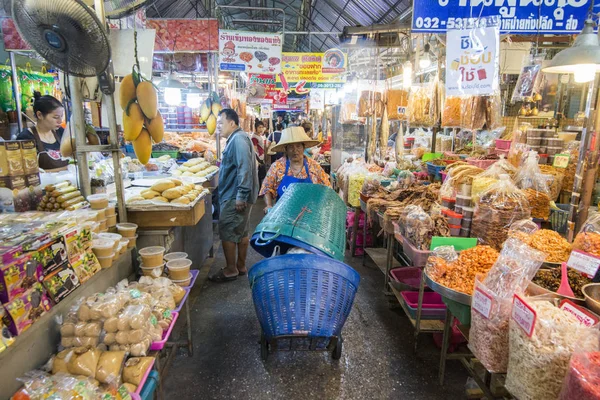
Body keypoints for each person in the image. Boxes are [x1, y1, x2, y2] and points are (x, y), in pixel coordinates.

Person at [210, 109, 258, 283]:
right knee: (241, 231)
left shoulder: (238, 140)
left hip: (234, 195)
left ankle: (231, 269)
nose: (218, 127)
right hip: (236, 194)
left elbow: (244, 168)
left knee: (229, 231)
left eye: (221, 123)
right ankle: (240, 266)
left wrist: (241, 195)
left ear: (232, 123)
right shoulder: (237, 139)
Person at [260, 126, 331, 214]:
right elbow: (267, 188)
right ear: (285, 149)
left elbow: (327, 189)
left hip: (309, 216)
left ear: (303, 147)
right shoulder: (277, 167)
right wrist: (269, 205)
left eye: (298, 146)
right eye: (290, 147)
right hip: (282, 215)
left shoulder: (314, 167)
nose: (295, 150)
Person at [17, 92, 69, 171]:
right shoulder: (25, 138)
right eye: (55, 117)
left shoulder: (61, 132)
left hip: (66, 182)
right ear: (39, 115)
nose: (60, 121)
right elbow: (28, 172)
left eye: (61, 116)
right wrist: (65, 169)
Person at [250, 121, 267, 185]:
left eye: (262, 127)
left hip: (261, 159)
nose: (261, 129)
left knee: (261, 177)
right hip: (258, 160)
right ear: (256, 128)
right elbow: (254, 151)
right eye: (259, 127)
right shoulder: (254, 137)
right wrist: (258, 161)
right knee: (260, 178)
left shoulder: (258, 136)